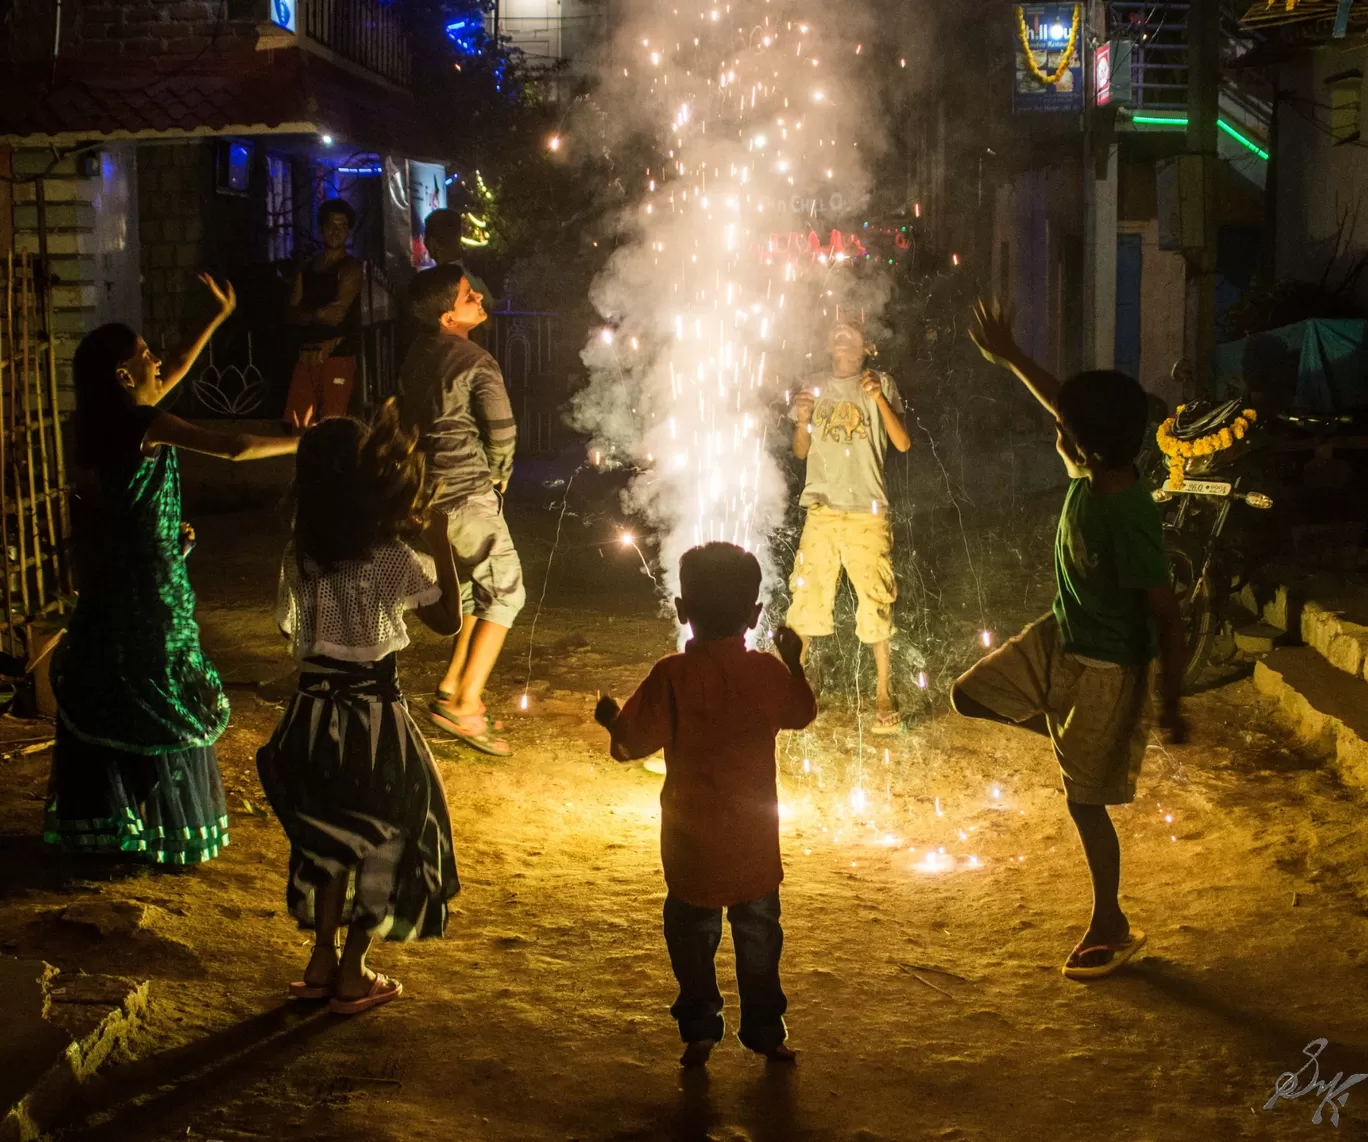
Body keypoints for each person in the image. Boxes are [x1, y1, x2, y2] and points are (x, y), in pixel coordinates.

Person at [954, 298, 1188, 981]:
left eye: (1062, 427)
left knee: (1085, 802)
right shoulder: (1095, 468)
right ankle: (1077, 742)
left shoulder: (1127, 516)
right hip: (1060, 639)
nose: (1053, 426)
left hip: (1108, 670)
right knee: (970, 696)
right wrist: (1012, 355)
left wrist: (1169, 703)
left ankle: (1109, 919)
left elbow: (1167, 617)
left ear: (1081, 443)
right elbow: (1066, 402)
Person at [45, 276, 301, 865]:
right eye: (144, 355)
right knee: (162, 691)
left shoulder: (106, 424)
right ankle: (160, 827)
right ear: (124, 376)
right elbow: (235, 446)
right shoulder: (144, 425)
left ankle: (115, 826)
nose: (158, 360)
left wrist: (216, 318)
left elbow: (177, 367)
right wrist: (310, 440)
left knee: (118, 690)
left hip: (118, 583)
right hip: (152, 591)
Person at [256, 401, 464, 1014]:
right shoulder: (389, 557)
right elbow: (449, 622)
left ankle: (320, 959)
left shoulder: (301, 555)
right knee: (388, 836)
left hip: (311, 717)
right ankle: (353, 970)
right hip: (375, 720)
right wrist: (441, 544)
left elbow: (289, 629)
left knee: (327, 837)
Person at [594, 543, 817, 1067]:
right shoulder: (765, 672)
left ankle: (698, 1028)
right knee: (759, 938)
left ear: (681, 609)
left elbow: (632, 746)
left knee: (691, 939)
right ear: (756, 615)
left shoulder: (670, 675)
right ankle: (765, 1032)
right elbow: (801, 713)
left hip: (691, 848)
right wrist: (794, 663)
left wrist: (611, 721)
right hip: (753, 850)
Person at [400, 263, 522, 757]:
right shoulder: (476, 359)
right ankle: (467, 703)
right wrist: (499, 475)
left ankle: (453, 683)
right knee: (507, 590)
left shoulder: (416, 354)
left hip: (426, 493)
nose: (480, 301)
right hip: (468, 490)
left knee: (471, 587)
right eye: (470, 296)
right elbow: (502, 430)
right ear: (449, 315)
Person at [787, 321, 911, 732]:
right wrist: (802, 418)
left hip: (866, 511)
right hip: (821, 510)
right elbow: (801, 451)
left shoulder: (880, 383)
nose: (842, 336)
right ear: (828, 343)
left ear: (866, 347)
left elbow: (902, 443)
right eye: (836, 332)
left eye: (851, 333)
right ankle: (790, 688)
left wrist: (879, 400)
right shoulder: (813, 386)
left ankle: (883, 692)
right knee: (807, 596)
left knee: (876, 598)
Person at [284, 198, 363, 429]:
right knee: (299, 425)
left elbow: (338, 314)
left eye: (342, 226)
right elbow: (290, 314)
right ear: (321, 228)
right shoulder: (306, 268)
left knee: (333, 423)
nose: (335, 231)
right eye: (330, 225)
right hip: (306, 355)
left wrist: (306, 313)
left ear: (348, 231)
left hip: (338, 354)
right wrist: (319, 313)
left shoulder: (351, 267)